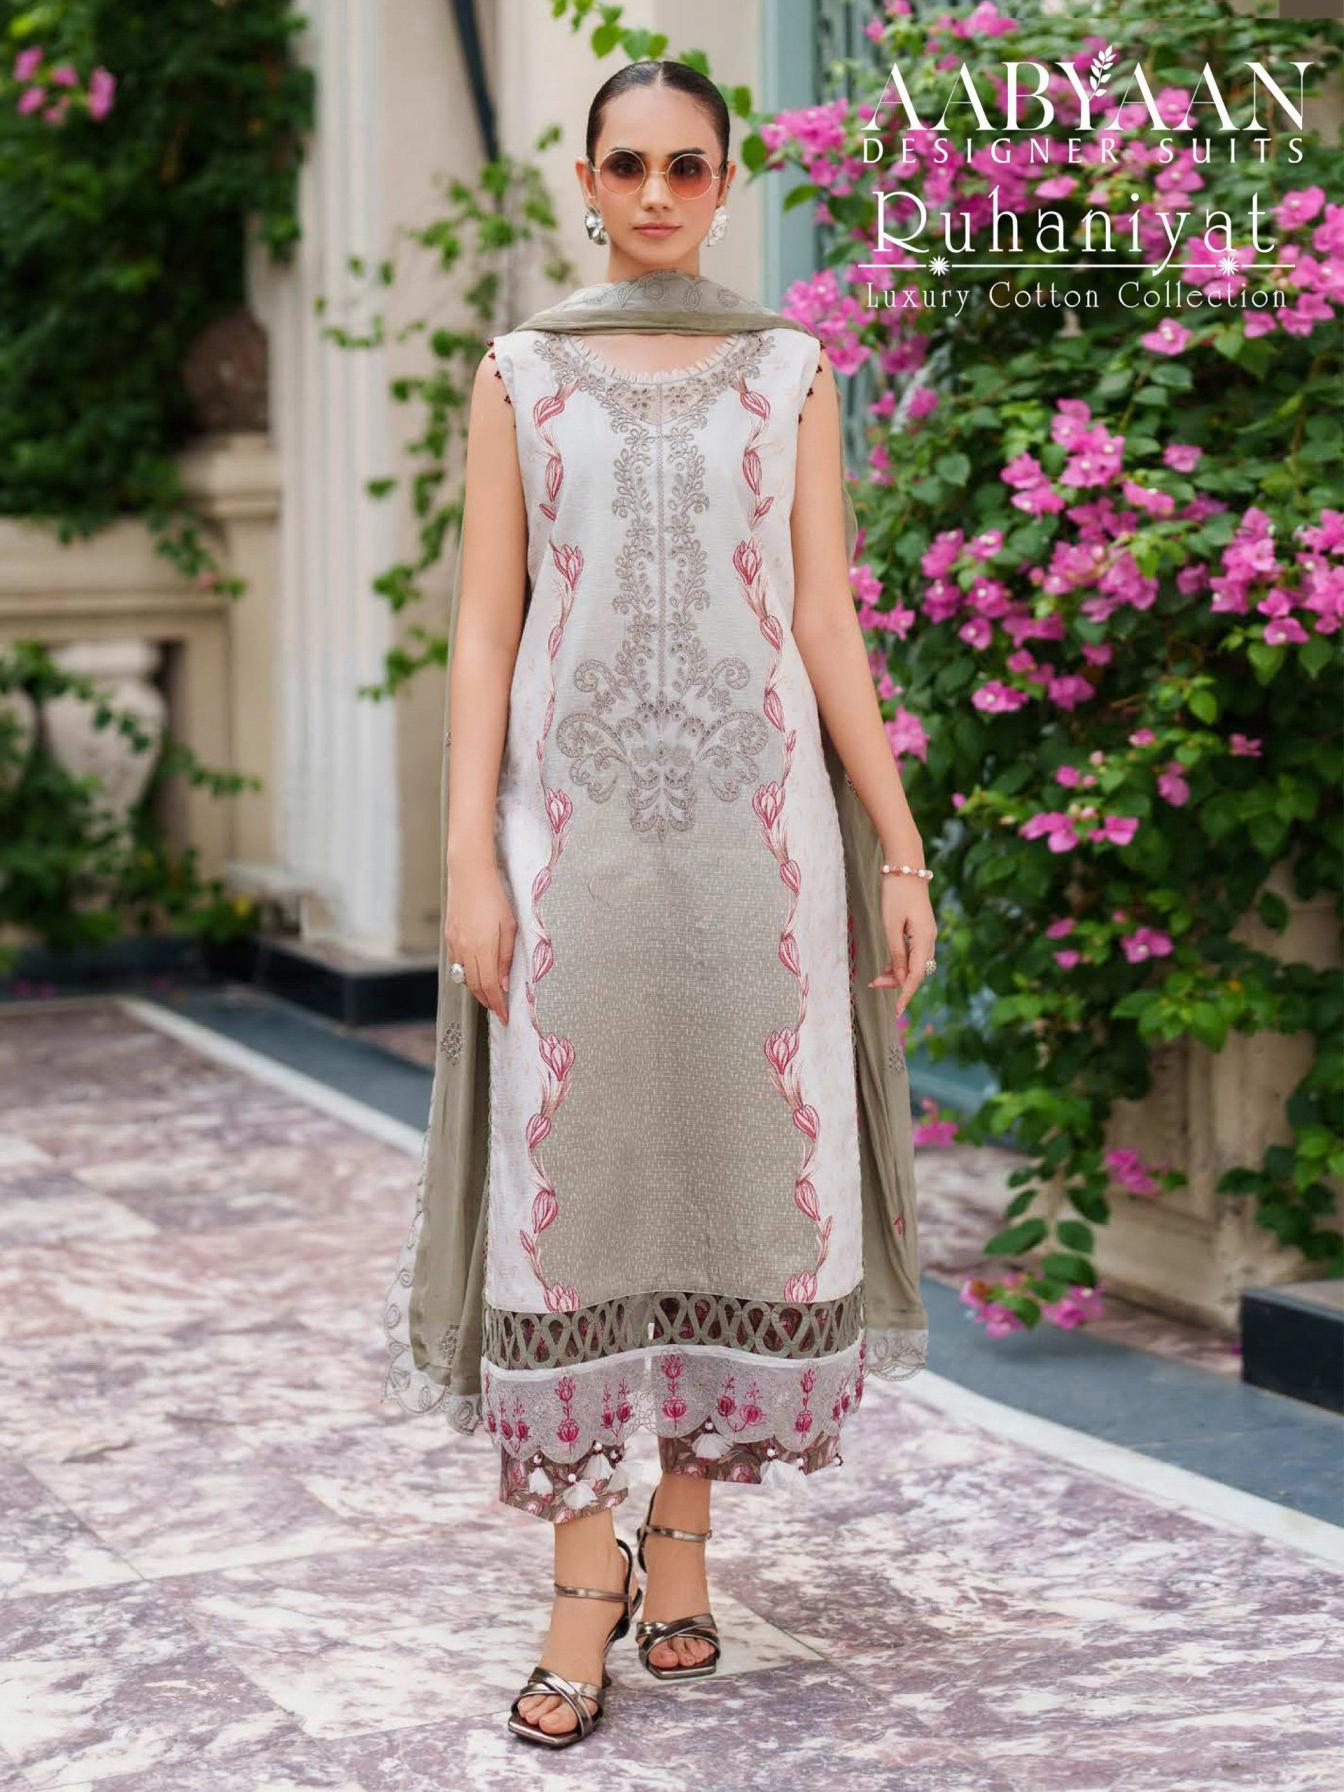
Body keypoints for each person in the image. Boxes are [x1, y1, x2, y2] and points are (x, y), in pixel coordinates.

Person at [386, 57, 936, 1750]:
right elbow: (485, 627)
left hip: (760, 861)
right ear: (585, 179)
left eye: (685, 168)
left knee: (726, 1192)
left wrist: (897, 840)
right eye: (626, 166)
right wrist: (468, 862)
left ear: (725, 180)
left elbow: (823, 616)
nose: (653, 197)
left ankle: (679, 1548)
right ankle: (582, 1581)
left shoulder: (789, 371)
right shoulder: (521, 373)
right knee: (573, 1206)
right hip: (574, 860)